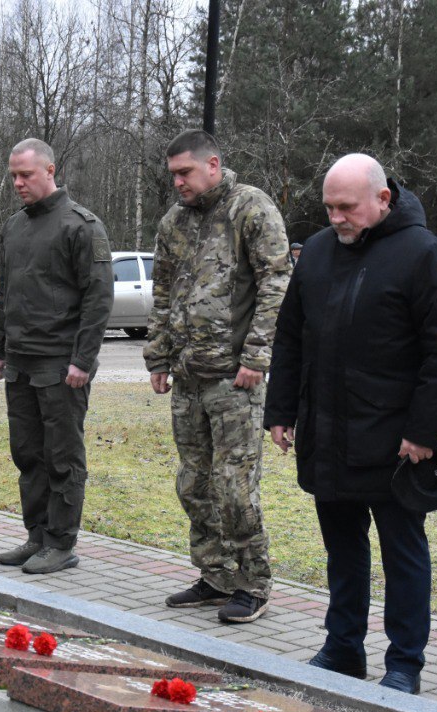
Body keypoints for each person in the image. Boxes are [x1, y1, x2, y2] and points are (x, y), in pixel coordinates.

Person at [264, 154, 437, 694]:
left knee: (402, 553)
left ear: (383, 199)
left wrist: (424, 433)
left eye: (346, 207)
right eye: (329, 207)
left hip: (395, 443)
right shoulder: (317, 253)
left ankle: (404, 662)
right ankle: (342, 649)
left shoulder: (425, 254)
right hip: (327, 435)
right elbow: (290, 337)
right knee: (343, 550)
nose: (336, 217)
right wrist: (281, 411)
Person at [145, 130, 291, 623]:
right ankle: (215, 575)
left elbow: (276, 282)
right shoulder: (174, 222)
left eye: (185, 173)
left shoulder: (250, 207)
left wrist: (256, 356)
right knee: (194, 483)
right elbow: (163, 294)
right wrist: (159, 357)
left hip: (235, 378)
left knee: (234, 485)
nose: (178, 183)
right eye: (173, 176)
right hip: (188, 378)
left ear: (213, 164)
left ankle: (254, 581)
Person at [0, 138, 114, 574]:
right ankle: (36, 536)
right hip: (20, 364)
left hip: (61, 367)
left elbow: (98, 300)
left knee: (62, 457)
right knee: (28, 454)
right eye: (13, 177)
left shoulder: (81, 226)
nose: (18, 183)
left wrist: (84, 361)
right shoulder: (14, 227)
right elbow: (7, 293)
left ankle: (61, 543)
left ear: (50, 170)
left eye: (25, 175)